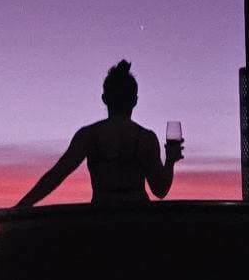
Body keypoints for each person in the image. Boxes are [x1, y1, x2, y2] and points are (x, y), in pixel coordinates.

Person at [12, 59, 182, 209]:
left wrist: (21, 207)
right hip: (138, 222)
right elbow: (160, 190)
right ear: (135, 100)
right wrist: (170, 161)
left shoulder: (89, 135)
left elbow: (56, 175)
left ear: (104, 98)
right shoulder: (146, 138)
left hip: (100, 221)